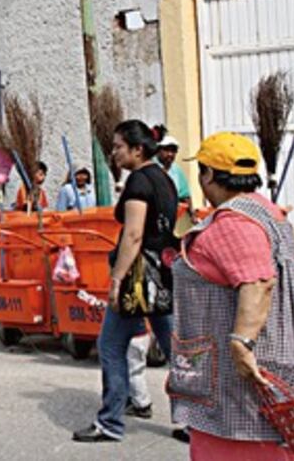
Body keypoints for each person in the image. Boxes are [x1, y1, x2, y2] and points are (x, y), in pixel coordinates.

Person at [168, 132, 294, 459]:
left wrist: (241, 343)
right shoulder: (268, 212)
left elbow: (257, 281)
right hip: (265, 365)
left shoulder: (232, 222)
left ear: (208, 175)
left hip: (235, 388)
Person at [73, 120, 178, 443]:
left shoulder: (138, 182)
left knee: (111, 346)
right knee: (178, 349)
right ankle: (192, 422)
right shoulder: (165, 179)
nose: (114, 152)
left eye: (119, 146)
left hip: (137, 279)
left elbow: (133, 235)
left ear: (138, 149)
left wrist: (117, 279)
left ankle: (110, 423)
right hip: (163, 274)